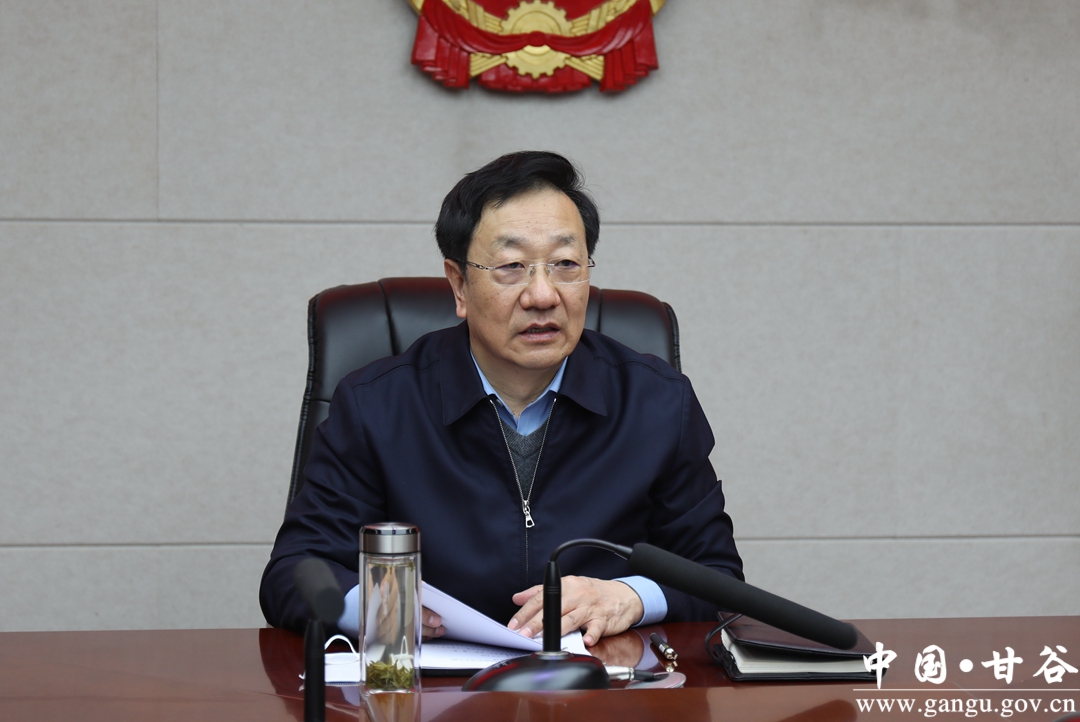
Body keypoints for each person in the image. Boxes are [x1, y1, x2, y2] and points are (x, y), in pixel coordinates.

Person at [260, 151, 743, 647]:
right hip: (435, 681)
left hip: (598, 678)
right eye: (512, 266)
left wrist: (630, 596)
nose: (543, 295)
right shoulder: (378, 406)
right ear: (459, 285)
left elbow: (716, 574)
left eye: (565, 264)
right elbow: (295, 570)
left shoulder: (656, 402)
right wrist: (379, 609)